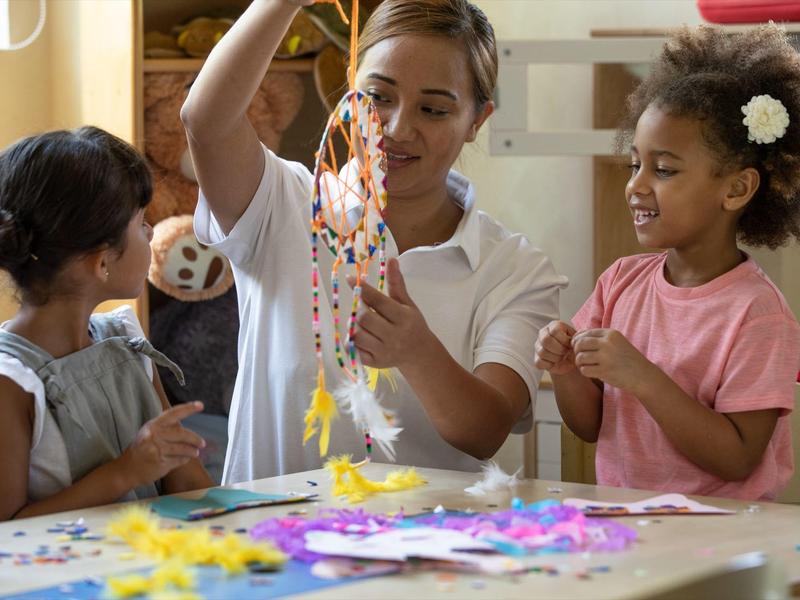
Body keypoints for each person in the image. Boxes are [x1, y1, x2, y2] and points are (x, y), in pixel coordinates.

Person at [182, 0, 567, 483]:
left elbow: (486, 432)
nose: (398, 129)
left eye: (433, 109)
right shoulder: (283, 204)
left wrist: (417, 352)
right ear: (350, 89)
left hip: (431, 531)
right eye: (378, 97)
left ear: (476, 121)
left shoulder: (514, 268)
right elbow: (205, 121)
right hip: (268, 529)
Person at [534, 25, 800, 500]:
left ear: (736, 189)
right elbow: (591, 425)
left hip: (722, 531)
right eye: (635, 164)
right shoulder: (620, 282)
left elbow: (737, 459)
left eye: (664, 170)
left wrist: (642, 377)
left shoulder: (759, 314)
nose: (636, 185)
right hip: (631, 523)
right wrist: (565, 369)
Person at [0, 127, 213, 520]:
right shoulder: (11, 380)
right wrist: (125, 472)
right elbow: (8, 529)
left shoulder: (126, 341)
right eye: (141, 223)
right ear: (101, 262)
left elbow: (188, 484)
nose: (150, 232)